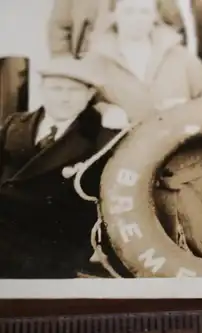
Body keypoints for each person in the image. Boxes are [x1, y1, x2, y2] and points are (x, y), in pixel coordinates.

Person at [85, 0, 202, 261]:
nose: (136, 18)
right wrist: (104, 109)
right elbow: (86, 99)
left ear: (154, 16)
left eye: (143, 11)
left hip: (183, 152)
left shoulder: (179, 55)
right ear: (115, 15)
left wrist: (186, 109)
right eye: (129, 11)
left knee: (201, 212)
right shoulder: (95, 58)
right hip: (126, 154)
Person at [0, 56, 118, 278]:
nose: (64, 98)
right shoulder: (14, 124)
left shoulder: (101, 136)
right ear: (42, 90)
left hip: (53, 247)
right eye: (56, 89)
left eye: (73, 91)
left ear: (90, 94)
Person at [47, 0, 198, 59]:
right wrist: (66, 65)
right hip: (89, 66)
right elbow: (59, 27)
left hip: (138, 73)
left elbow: (173, 26)